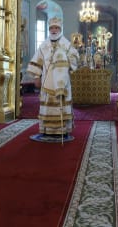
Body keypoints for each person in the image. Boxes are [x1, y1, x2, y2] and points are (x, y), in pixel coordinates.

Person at [27, 15, 79, 143]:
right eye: (52, 28)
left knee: (61, 105)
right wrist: (36, 77)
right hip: (46, 82)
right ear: (49, 29)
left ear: (60, 29)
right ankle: (46, 130)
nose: (54, 30)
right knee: (47, 107)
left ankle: (63, 131)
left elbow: (74, 59)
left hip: (62, 83)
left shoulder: (66, 44)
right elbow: (37, 62)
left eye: (56, 28)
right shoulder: (43, 45)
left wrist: (64, 61)